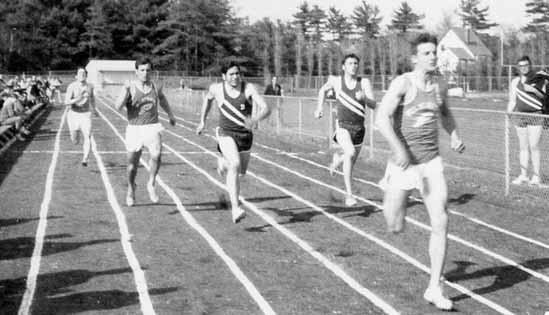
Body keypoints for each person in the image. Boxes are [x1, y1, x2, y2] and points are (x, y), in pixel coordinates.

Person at [375, 33, 465, 311]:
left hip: (430, 164)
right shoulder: (403, 83)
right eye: (426, 53)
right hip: (403, 164)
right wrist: (399, 149)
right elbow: (381, 118)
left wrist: (454, 134)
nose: (432, 57)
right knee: (394, 225)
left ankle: (434, 287)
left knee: (441, 220)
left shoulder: (439, 84)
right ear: (415, 58)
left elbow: (446, 113)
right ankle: (391, 194)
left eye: (434, 52)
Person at [196, 62, 270, 223]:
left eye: (237, 73)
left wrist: (255, 119)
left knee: (241, 172)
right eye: (231, 74)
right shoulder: (216, 89)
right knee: (235, 164)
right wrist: (202, 121)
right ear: (224, 76)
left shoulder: (248, 88)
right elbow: (208, 100)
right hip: (225, 133)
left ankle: (223, 162)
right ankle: (235, 208)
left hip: (245, 136)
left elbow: (266, 108)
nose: (235, 77)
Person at [314, 53, 376, 206]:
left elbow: (374, 104)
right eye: (350, 63)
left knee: (350, 161)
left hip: (359, 129)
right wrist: (319, 108)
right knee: (350, 152)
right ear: (343, 66)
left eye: (356, 63)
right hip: (342, 126)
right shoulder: (336, 81)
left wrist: (365, 98)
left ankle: (337, 160)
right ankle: (349, 195)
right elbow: (322, 91)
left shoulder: (364, 82)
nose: (353, 66)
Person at [115, 57, 176, 207]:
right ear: (136, 72)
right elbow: (118, 106)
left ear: (151, 71)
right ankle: (131, 187)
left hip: (152, 126)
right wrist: (125, 91)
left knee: (156, 155)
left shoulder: (156, 86)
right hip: (134, 129)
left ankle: (151, 183)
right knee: (131, 166)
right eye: (142, 70)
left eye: (148, 70)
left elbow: (162, 100)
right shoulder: (130, 86)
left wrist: (170, 115)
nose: (145, 73)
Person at [507, 56, 546, 186]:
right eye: (521, 66)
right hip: (520, 116)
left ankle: (536, 176)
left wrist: (534, 90)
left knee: (534, 146)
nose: (524, 67)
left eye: (526, 65)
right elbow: (512, 100)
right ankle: (523, 176)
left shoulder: (538, 78)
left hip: (536, 115)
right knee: (523, 147)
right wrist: (508, 113)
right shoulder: (515, 81)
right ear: (518, 67)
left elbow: (545, 97)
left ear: (530, 65)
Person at [65, 68, 96, 166]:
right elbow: (66, 102)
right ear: (76, 76)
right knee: (75, 141)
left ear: (86, 75)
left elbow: (92, 99)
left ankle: (85, 159)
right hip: (73, 114)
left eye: (84, 73)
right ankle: (75, 137)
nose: (82, 74)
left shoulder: (90, 86)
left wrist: (94, 110)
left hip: (86, 114)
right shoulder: (72, 86)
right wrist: (79, 98)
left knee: (87, 136)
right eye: (80, 73)